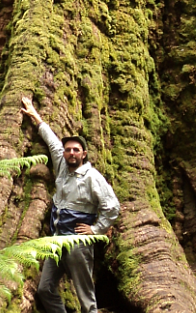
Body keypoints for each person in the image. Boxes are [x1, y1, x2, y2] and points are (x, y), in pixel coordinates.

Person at [21, 96, 120, 313]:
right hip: (56, 242)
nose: (71, 153)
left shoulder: (92, 177)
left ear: (84, 154)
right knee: (44, 289)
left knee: (86, 298)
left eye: (76, 150)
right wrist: (35, 115)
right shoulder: (62, 166)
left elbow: (112, 206)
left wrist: (96, 230)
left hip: (77, 245)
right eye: (69, 150)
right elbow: (53, 141)